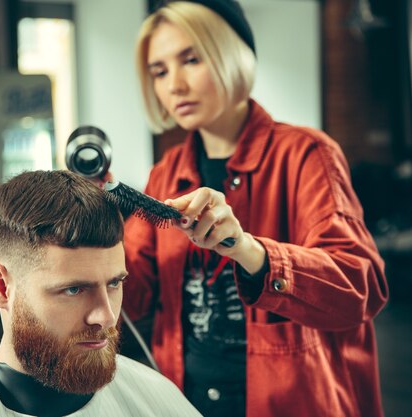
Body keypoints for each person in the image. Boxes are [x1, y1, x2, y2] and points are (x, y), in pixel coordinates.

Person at [121, 1, 389, 417]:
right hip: (184, 403)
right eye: (159, 71)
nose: (174, 84)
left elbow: (360, 287)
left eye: (190, 59)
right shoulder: (165, 174)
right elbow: (129, 296)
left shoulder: (306, 155)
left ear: (232, 55)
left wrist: (249, 251)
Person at [0, 170, 203, 417]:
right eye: (73, 289)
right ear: (0, 287)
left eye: (114, 283)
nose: (106, 316)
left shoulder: (152, 394)